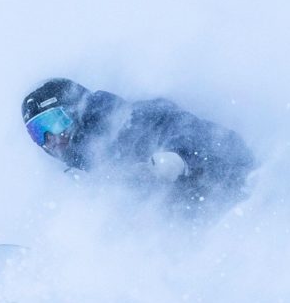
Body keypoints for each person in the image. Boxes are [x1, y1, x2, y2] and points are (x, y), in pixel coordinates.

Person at [21, 78, 255, 219]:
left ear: (75, 110)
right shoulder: (84, 177)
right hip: (184, 249)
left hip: (236, 198)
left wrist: (177, 156)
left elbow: (185, 126)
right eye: (38, 132)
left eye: (52, 122)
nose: (50, 139)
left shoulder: (127, 120)